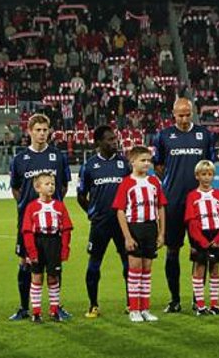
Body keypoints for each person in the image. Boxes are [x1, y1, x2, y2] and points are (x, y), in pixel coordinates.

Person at [152, 97, 217, 313]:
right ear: (173, 114)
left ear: (192, 112)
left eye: (187, 114)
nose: (184, 118)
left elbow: (209, 165)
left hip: (199, 204)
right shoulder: (163, 136)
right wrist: (172, 182)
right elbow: (159, 166)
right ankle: (175, 299)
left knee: (200, 251)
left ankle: (198, 301)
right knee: (172, 250)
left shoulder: (204, 135)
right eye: (180, 115)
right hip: (173, 202)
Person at [8, 114, 72, 321]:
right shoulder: (19, 159)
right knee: (25, 262)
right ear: (29, 131)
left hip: (52, 221)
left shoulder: (58, 156)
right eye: (38, 130)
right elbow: (16, 188)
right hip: (28, 221)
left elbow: (63, 185)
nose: (42, 134)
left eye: (45, 130)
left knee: (54, 264)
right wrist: (25, 206)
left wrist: (55, 204)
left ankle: (57, 307)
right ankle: (24, 307)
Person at [76, 125, 130, 318]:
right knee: (94, 263)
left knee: (128, 262)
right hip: (100, 224)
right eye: (109, 139)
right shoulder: (89, 166)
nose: (114, 141)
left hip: (122, 223)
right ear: (98, 142)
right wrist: (92, 212)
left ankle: (131, 303)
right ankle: (93, 304)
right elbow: (81, 195)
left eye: (114, 138)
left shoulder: (125, 164)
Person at [113, 146, 167, 322]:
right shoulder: (126, 183)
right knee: (135, 270)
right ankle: (134, 309)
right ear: (132, 162)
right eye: (143, 160)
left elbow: (160, 207)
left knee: (147, 270)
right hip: (134, 227)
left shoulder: (154, 182)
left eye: (148, 160)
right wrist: (127, 237)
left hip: (150, 228)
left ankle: (145, 308)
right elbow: (120, 211)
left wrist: (161, 233)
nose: (146, 164)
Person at [22, 173, 73, 323]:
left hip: (54, 243)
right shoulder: (32, 207)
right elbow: (27, 231)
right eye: (47, 184)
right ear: (37, 187)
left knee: (53, 277)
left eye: (52, 184)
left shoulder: (59, 206)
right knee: (37, 277)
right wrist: (31, 251)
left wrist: (64, 249)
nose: (51, 186)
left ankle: (54, 310)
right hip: (38, 242)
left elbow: (66, 229)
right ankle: (36, 312)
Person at [184, 160, 219, 316]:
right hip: (200, 237)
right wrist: (202, 241)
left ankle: (214, 304)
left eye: (209, 174)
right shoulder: (192, 196)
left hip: (216, 235)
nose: (206, 178)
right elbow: (191, 221)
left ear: (213, 176)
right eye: (203, 174)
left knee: (215, 269)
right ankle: (200, 305)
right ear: (197, 176)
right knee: (199, 268)